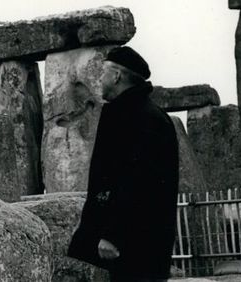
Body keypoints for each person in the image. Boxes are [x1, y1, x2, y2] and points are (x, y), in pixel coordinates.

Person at [67, 46, 179, 282]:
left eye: (103, 72)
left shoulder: (135, 117)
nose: (99, 79)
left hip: (131, 240)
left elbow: (138, 182)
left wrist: (112, 234)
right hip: (141, 239)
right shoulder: (147, 115)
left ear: (117, 76)